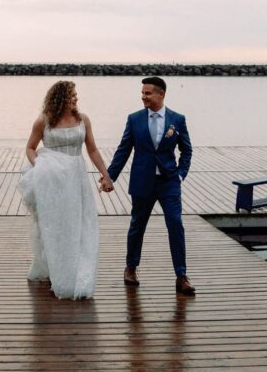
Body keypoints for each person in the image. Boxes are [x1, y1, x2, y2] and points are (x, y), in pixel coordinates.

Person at [18, 80, 113, 299]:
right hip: (52, 182)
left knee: (79, 224)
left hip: (76, 179)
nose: (76, 99)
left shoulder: (83, 119)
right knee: (54, 225)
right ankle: (54, 268)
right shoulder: (44, 121)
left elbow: (92, 149)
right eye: (72, 95)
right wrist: (40, 166)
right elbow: (31, 148)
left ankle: (77, 269)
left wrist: (105, 175)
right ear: (60, 98)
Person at [104, 77, 195, 295]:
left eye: (147, 93)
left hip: (169, 182)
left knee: (175, 224)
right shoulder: (134, 119)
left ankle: (181, 276)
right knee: (137, 225)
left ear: (160, 94)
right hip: (142, 181)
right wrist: (110, 176)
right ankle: (131, 268)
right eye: (142, 93)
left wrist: (180, 175)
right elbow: (123, 149)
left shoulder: (177, 119)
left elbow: (187, 150)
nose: (143, 96)